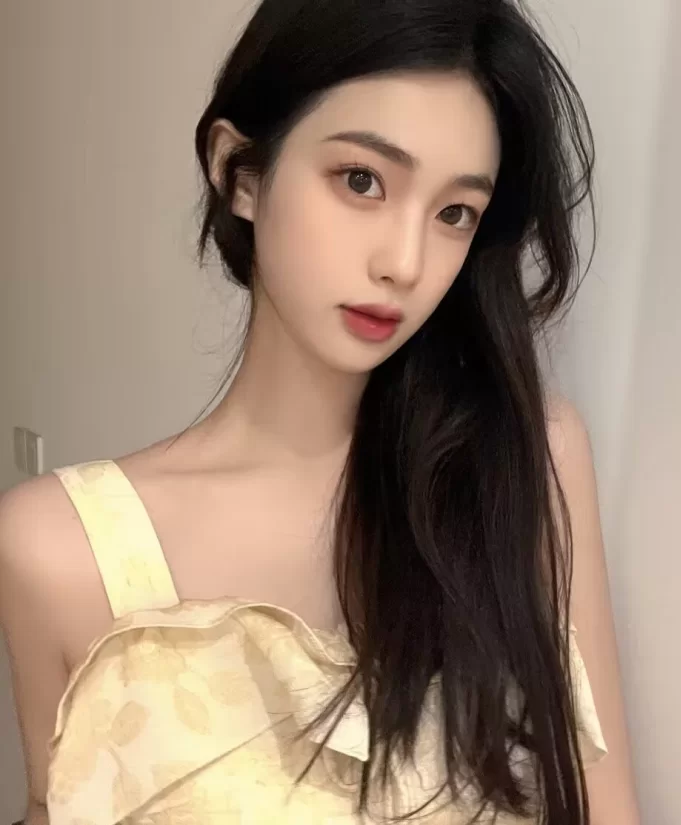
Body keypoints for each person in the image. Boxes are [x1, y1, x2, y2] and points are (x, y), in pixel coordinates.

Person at [0, 0, 641, 822]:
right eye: (361, 180)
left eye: (454, 213)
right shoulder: (61, 550)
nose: (404, 262)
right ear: (240, 172)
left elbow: (604, 803)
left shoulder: (526, 460)